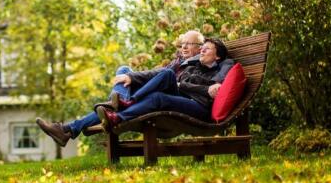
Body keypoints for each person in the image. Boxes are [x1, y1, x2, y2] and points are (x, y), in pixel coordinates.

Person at [37, 32, 231, 147]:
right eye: (183, 44)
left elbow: (213, 83)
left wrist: (189, 85)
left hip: (191, 103)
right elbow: (156, 74)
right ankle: (71, 128)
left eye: (191, 44)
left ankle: (121, 107)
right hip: (178, 95)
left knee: (164, 81)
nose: (183, 47)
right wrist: (130, 76)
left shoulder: (214, 66)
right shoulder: (185, 63)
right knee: (124, 70)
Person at [96, 38, 229, 130]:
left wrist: (188, 86)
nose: (202, 51)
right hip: (184, 97)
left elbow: (206, 90)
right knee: (168, 74)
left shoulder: (218, 72)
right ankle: (130, 102)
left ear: (217, 56)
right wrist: (190, 86)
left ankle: (117, 117)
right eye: (202, 48)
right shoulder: (193, 66)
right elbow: (183, 83)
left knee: (158, 97)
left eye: (207, 49)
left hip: (199, 106)